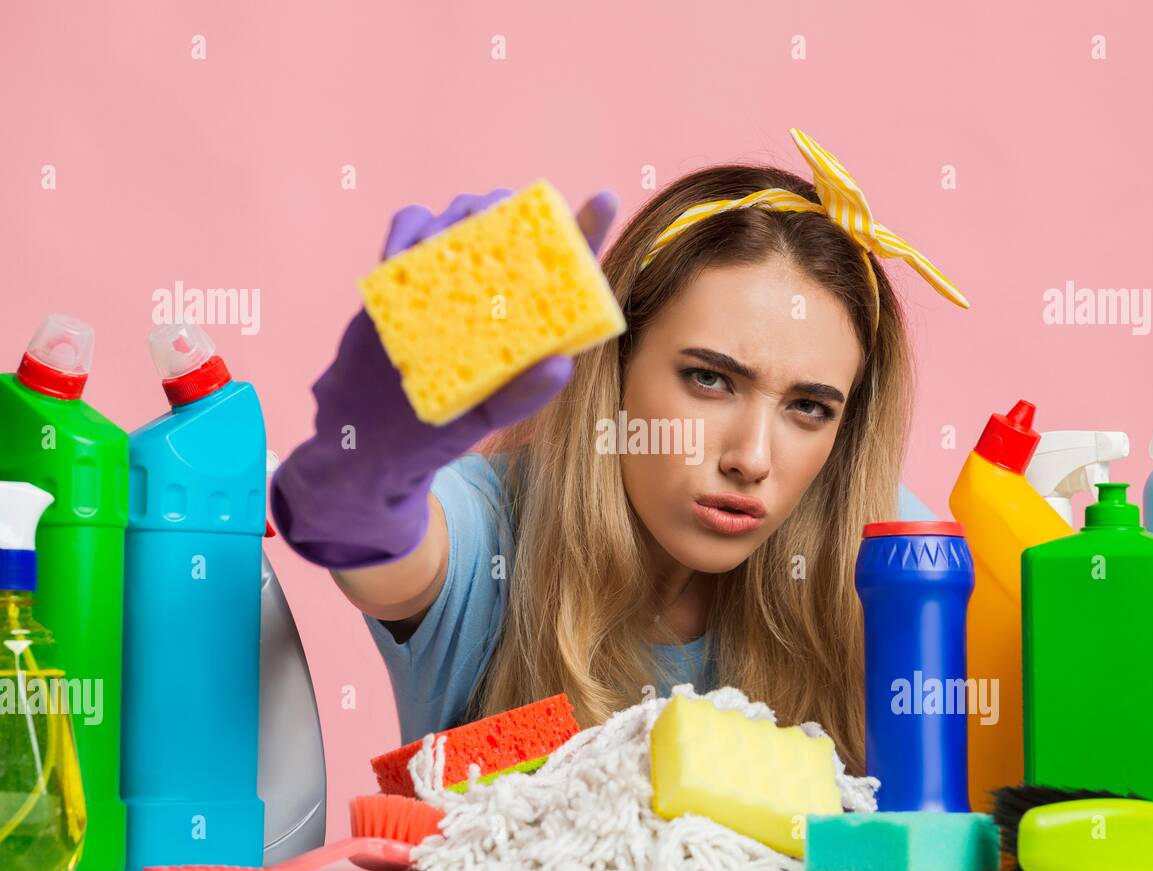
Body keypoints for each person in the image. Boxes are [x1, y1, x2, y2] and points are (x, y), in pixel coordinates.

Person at [270, 129, 968, 775]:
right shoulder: (488, 530)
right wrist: (369, 453)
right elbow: (361, 531)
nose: (752, 458)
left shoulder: (890, 563)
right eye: (710, 379)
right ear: (615, 362)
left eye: (808, 408)